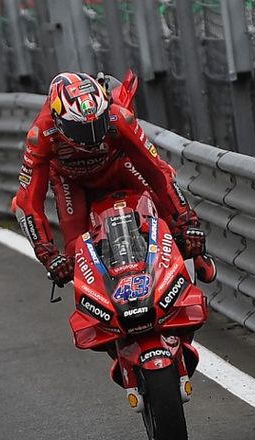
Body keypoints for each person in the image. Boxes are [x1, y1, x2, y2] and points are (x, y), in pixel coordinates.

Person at [13, 72, 214, 286]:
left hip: (118, 165)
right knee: (74, 251)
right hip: (70, 180)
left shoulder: (119, 117)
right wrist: (49, 256)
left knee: (165, 209)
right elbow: (28, 202)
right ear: (58, 121)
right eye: (80, 129)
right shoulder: (40, 135)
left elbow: (157, 171)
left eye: (98, 123)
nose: (91, 137)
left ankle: (194, 257)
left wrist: (187, 221)